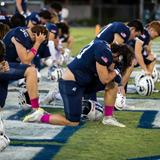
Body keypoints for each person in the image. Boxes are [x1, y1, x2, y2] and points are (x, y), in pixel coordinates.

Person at [24, 39, 134, 127]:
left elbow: (112, 78)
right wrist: (117, 70)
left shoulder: (105, 46)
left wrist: (116, 71)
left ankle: (108, 118)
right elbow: (104, 79)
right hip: (71, 83)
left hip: (83, 80)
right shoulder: (104, 52)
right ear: (119, 56)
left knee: (112, 85)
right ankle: (40, 117)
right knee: (72, 122)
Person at [116, 21, 160, 109]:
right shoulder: (144, 35)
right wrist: (145, 69)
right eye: (156, 35)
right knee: (129, 67)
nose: (155, 37)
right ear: (151, 30)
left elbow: (143, 51)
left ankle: (146, 81)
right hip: (125, 56)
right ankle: (119, 94)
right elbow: (137, 52)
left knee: (151, 58)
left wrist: (148, 50)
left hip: (129, 55)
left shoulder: (147, 35)